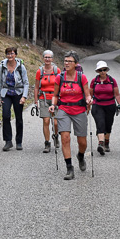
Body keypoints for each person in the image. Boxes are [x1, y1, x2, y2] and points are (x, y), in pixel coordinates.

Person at [49, 51, 92, 180]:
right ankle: (69, 168)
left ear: (76, 63)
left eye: (69, 61)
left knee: (82, 142)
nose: (66, 63)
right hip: (64, 109)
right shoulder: (60, 77)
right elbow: (55, 95)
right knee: (65, 138)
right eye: (65, 61)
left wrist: (89, 100)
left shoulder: (81, 77)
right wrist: (53, 105)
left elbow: (87, 94)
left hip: (79, 110)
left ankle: (80, 155)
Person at [0, 47, 29, 151]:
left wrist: (24, 96)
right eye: (8, 54)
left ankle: (19, 141)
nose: (10, 56)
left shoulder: (21, 67)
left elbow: (26, 83)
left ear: (15, 55)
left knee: (19, 118)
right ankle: (8, 141)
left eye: (12, 53)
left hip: (18, 93)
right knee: (5, 116)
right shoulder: (2, 66)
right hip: (6, 93)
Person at [90, 60, 120, 155]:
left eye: (104, 69)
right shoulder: (94, 81)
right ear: (98, 71)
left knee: (108, 125)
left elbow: (117, 94)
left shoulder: (112, 81)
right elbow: (90, 95)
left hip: (110, 105)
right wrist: (87, 105)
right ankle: (101, 144)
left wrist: (119, 104)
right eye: (100, 70)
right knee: (100, 124)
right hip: (97, 105)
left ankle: (106, 142)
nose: (102, 72)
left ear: (107, 70)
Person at [35, 50, 60, 153]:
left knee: (56, 122)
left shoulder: (57, 70)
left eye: (49, 57)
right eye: (46, 57)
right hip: (43, 98)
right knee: (46, 121)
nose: (47, 59)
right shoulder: (39, 71)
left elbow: (61, 85)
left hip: (55, 98)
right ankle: (47, 143)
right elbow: (36, 87)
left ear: (52, 59)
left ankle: (56, 136)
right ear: (43, 58)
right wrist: (36, 101)